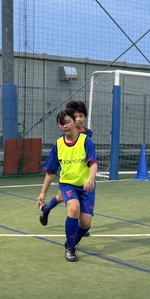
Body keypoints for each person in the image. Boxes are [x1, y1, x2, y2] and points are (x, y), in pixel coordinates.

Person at [36, 109, 98, 262]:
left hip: (86, 187)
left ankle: (73, 240)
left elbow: (93, 163)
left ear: (74, 122)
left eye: (68, 122)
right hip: (67, 184)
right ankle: (70, 248)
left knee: (85, 224)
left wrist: (91, 179)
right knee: (74, 208)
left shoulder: (86, 141)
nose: (65, 126)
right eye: (61, 123)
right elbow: (50, 172)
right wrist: (43, 192)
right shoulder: (58, 145)